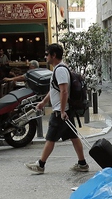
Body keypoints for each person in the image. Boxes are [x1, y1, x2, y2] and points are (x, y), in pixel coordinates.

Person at [25, 44, 89, 174]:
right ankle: (82, 163)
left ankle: (41, 165)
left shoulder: (60, 70)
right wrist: (43, 102)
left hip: (61, 111)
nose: (45, 56)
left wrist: (62, 110)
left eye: (47, 54)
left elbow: (64, 91)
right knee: (73, 137)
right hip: (64, 110)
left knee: (50, 138)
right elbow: (55, 89)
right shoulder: (59, 69)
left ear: (53, 55)